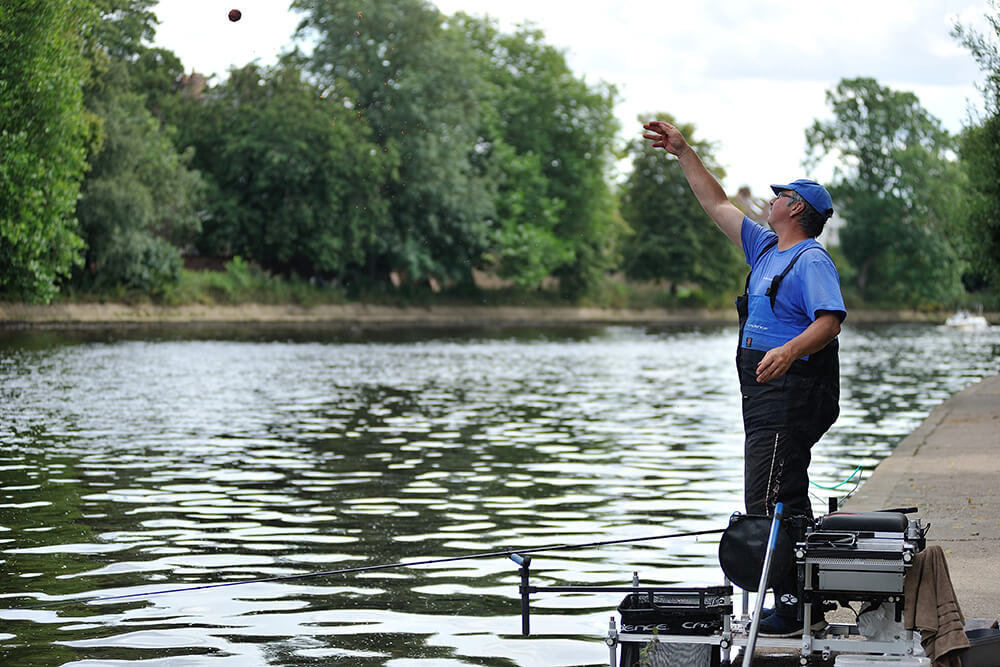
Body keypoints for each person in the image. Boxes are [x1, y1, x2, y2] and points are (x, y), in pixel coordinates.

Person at [642, 120, 846, 637]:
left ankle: (791, 605)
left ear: (796, 208)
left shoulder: (810, 258)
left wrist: (788, 351)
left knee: (768, 498)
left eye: (780, 195)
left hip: (791, 391)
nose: (771, 200)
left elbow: (830, 320)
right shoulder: (764, 248)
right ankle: (804, 603)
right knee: (781, 494)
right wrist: (684, 152)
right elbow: (717, 205)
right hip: (762, 393)